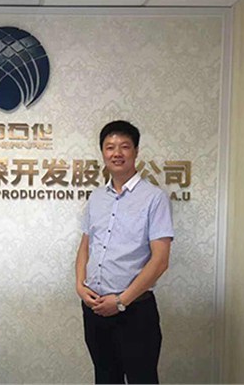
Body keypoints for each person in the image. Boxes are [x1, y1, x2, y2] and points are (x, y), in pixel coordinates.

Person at [75, 120, 174, 384]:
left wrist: (120, 301)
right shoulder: (96, 197)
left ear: (136, 151)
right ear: (102, 153)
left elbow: (160, 260)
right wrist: (80, 285)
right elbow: (85, 246)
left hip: (134, 311)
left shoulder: (154, 198)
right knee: (105, 378)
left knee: (142, 379)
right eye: (110, 147)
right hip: (95, 308)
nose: (116, 153)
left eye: (124, 146)